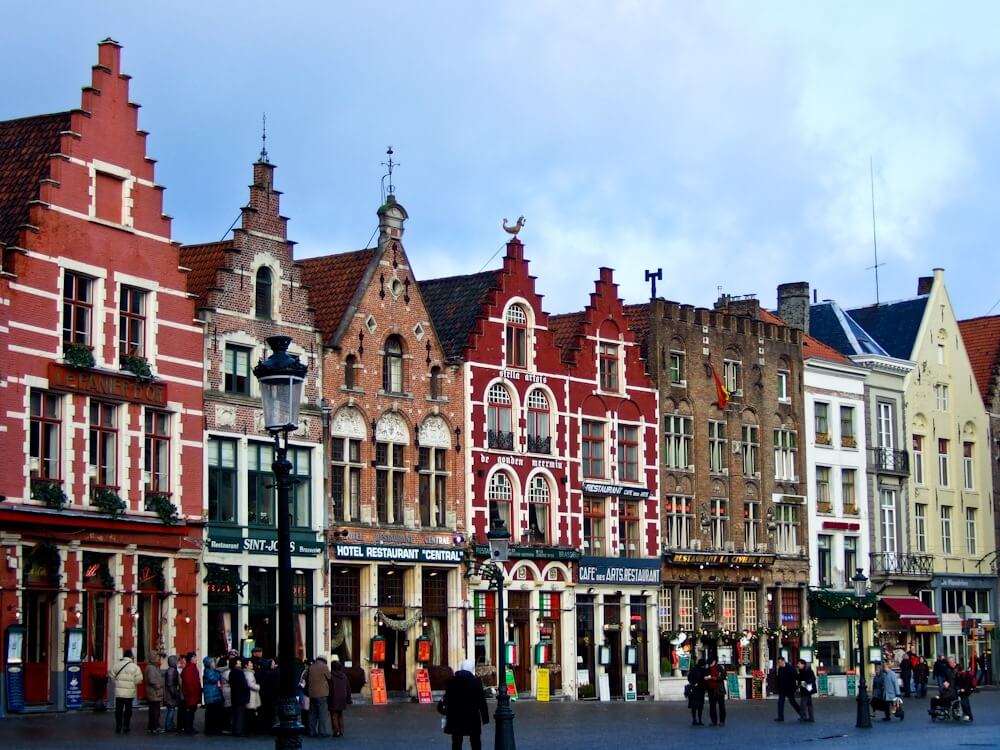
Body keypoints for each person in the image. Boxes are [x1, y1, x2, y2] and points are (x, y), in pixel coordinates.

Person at [440, 658, 489, 750]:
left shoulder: (452, 682)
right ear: (471, 669)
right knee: (475, 741)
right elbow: (482, 701)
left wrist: (445, 711)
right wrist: (485, 718)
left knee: (456, 741)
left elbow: (447, 699)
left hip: (456, 717)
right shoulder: (476, 682)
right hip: (472, 717)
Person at [110, 648, 143, 734]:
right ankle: (126, 725)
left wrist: (117, 683)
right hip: (129, 692)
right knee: (128, 710)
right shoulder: (135, 667)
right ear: (131, 656)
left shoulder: (117, 665)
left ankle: (118, 725)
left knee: (119, 710)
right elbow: (139, 679)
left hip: (119, 692)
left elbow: (112, 676)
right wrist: (132, 683)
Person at [306, 654, 333, 737]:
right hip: (322, 693)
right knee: (322, 713)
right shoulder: (324, 667)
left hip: (311, 693)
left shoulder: (311, 667)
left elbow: (305, 677)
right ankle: (322, 732)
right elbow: (329, 677)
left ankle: (311, 731)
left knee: (312, 714)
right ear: (324, 661)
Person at [328, 654, 352, 738]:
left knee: (334, 715)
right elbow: (348, 688)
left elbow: (329, 688)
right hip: (342, 698)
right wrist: (348, 699)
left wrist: (327, 697)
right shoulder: (344, 676)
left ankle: (336, 731)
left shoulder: (330, 676)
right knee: (340, 714)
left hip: (333, 697)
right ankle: (341, 730)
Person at [180, 652, 201, 735]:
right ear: (191, 659)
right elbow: (188, 683)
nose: (196, 659)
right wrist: (192, 692)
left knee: (192, 711)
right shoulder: (188, 669)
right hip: (191, 695)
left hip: (194, 694)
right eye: (194, 657)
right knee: (190, 712)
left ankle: (190, 727)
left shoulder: (193, 668)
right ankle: (188, 727)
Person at [144, 653, 165, 734]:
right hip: (154, 693)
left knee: (153, 710)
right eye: (157, 658)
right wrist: (159, 686)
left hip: (153, 693)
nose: (158, 659)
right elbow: (152, 680)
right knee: (155, 711)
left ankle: (152, 727)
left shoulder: (152, 667)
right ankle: (155, 727)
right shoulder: (151, 668)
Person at [229, 657, 250, 736]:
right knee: (240, 714)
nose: (240, 663)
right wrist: (247, 692)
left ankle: (235, 730)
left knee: (235, 713)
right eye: (238, 662)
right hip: (240, 696)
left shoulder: (232, 672)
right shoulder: (239, 672)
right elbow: (244, 685)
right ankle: (238, 731)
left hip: (234, 695)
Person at [774, 657, 800, 722]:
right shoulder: (780, 669)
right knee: (780, 703)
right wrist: (778, 687)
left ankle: (802, 713)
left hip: (790, 689)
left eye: (780, 662)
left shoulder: (791, 668)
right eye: (778, 662)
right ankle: (780, 717)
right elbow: (779, 679)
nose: (779, 664)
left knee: (793, 702)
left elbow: (797, 678)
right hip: (782, 689)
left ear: (783, 661)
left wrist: (796, 687)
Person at [202, 656, 224, 735]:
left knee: (213, 713)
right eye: (213, 662)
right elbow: (213, 679)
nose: (214, 663)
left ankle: (212, 729)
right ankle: (210, 729)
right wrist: (218, 674)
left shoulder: (210, 670)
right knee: (211, 713)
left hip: (214, 695)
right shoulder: (209, 671)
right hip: (211, 695)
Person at [257, 658, 279, 734]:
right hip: (272, 695)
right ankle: (271, 728)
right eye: (272, 663)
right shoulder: (273, 673)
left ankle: (264, 728)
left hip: (264, 695)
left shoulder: (261, 673)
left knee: (265, 712)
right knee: (272, 713)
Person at [704, 657, 726, 727]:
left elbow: (723, 677)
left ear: (714, 662)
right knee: (712, 706)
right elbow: (706, 676)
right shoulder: (708, 669)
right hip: (711, 690)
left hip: (719, 690)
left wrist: (713, 678)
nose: (709, 665)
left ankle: (722, 721)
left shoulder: (720, 668)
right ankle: (714, 721)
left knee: (721, 706)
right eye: (709, 664)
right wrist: (706, 678)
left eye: (710, 663)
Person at [686, 658, 707, 726]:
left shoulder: (693, 669)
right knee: (700, 706)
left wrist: (692, 683)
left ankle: (694, 719)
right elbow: (704, 680)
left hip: (694, 690)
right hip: (700, 690)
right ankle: (699, 720)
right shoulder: (703, 670)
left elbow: (689, 678)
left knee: (694, 706)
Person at [244, 659, 261, 734]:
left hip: (250, 695)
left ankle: (249, 729)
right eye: (250, 663)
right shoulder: (249, 674)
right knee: (250, 713)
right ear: (246, 665)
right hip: (251, 695)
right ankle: (250, 730)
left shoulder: (246, 673)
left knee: (249, 713)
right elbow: (250, 684)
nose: (252, 664)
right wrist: (258, 687)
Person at [164, 655, 181, 732]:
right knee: (171, 709)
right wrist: (174, 693)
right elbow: (170, 684)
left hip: (170, 692)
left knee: (171, 709)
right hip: (170, 693)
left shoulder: (171, 670)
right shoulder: (172, 671)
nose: (177, 662)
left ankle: (170, 724)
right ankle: (168, 725)